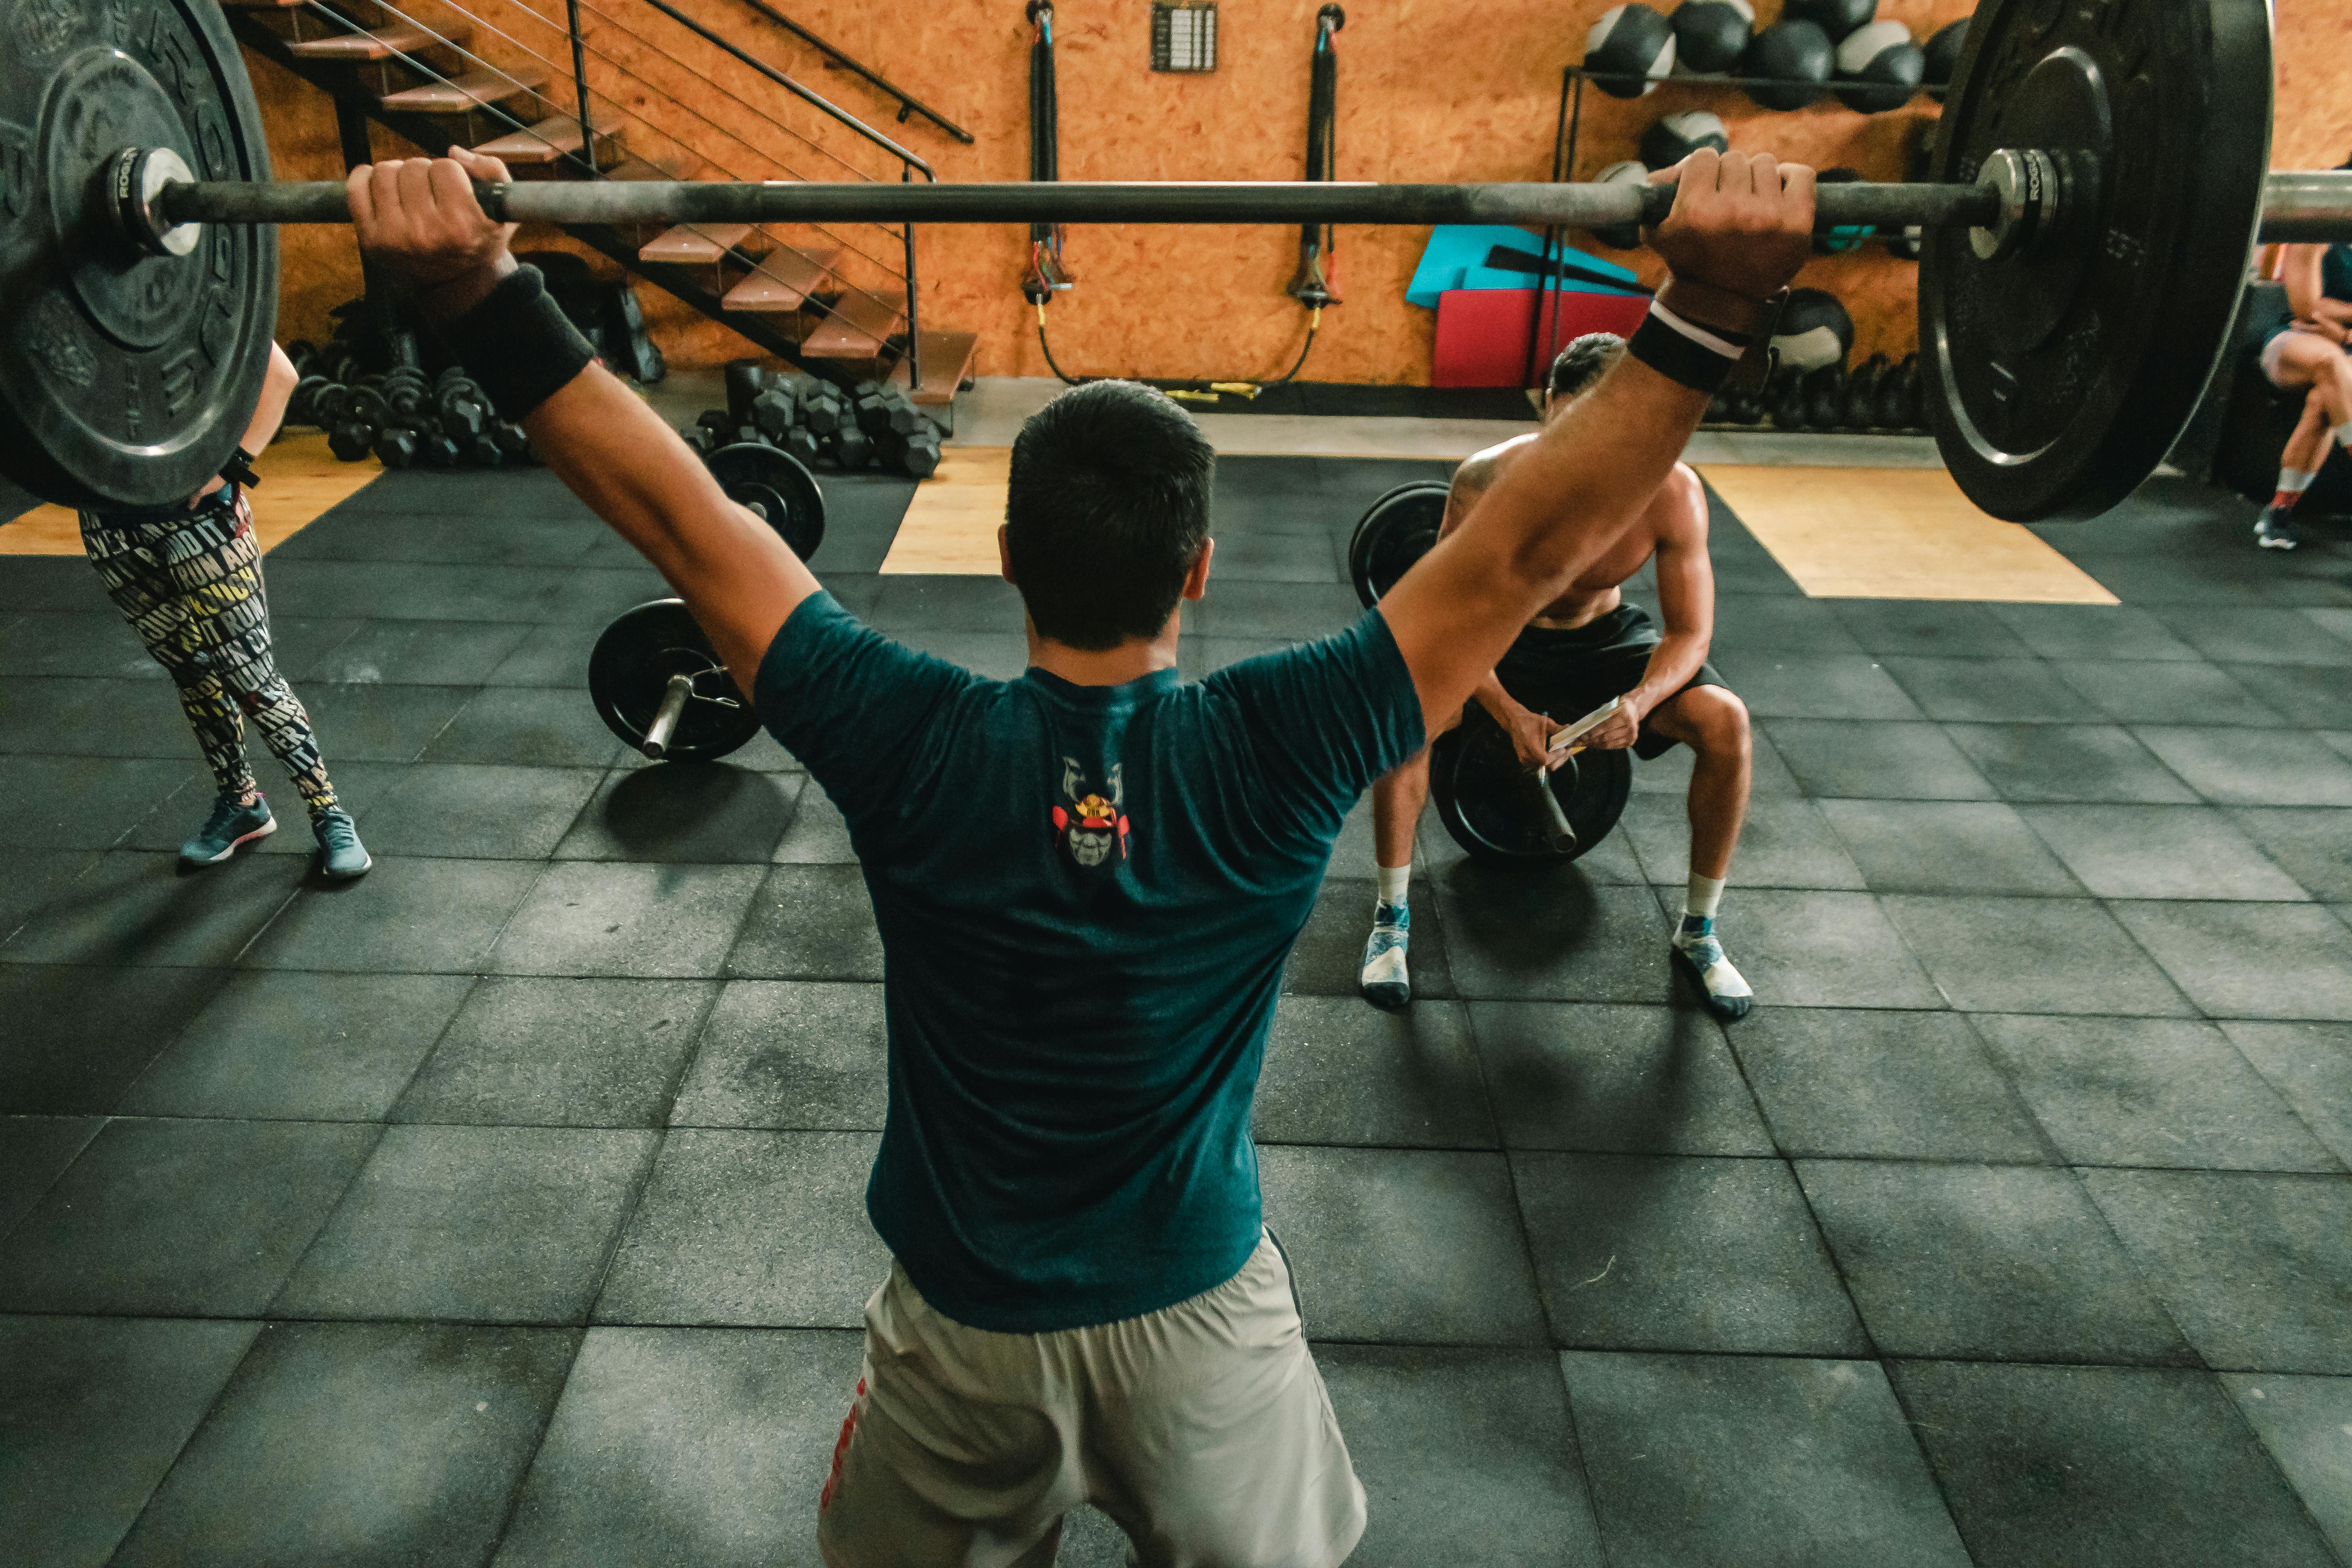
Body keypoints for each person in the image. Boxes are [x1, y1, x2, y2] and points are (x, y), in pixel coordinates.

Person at [350, 143, 1814, 1566]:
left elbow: (686, 518)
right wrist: (1705, 313)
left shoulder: (902, 735)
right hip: (1202, 1331)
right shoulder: (1284, 740)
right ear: (1199, 566)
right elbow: (1516, 556)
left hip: (964, 1338)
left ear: (1003, 554)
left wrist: (479, 292)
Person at [1358, 332, 1755, 1021]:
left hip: (1604, 642)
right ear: (1549, 405)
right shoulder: (1485, 478)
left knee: (1726, 722)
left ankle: (1701, 931)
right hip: (1497, 634)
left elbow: (1691, 633)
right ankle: (1390, 920)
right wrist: (1507, 710)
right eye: (1574, 423)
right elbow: (1444, 614)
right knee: (1409, 714)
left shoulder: (1672, 490)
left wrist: (1639, 702)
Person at [77, 343, 371, 878]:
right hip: (110, 526)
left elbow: (279, 375)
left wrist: (230, 468)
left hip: (203, 523)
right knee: (190, 672)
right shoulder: (59, 305)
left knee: (252, 679)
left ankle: (330, 814)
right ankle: (241, 804)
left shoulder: (185, 285)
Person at [2251, 172, 2352, 551]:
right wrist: (2339, 333)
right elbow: (2306, 307)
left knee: (2325, 401)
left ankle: (2279, 512)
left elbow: (2324, 308)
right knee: (2330, 364)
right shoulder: (2325, 209)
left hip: (2342, 344)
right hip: (2297, 342)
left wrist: (2340, 327)